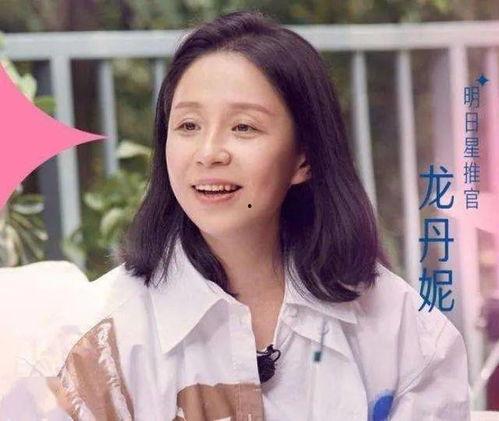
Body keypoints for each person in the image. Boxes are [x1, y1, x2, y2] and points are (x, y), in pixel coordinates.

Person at [0, 10, 471, 420]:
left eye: (243, 127)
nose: (209, 152)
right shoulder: (92, 343)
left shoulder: (404, 333)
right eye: (188, 125)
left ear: (303, 157)